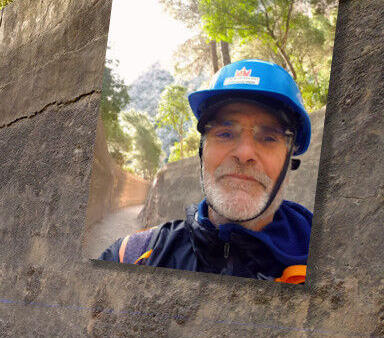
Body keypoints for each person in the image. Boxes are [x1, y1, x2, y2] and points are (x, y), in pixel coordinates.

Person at [99, 59, 312, 283]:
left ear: (289, 164)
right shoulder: (133, 256)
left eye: (268, 137)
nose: (244, 153)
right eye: (225, 134)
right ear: (202, 152)